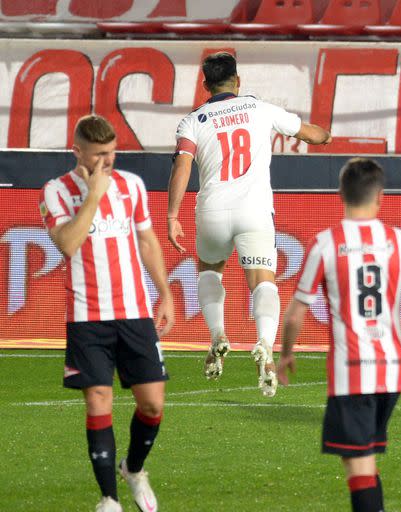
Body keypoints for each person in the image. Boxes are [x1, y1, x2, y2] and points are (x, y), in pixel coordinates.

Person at [278, 158, 401, 512]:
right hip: (393, 371)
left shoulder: (324, 244)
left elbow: (295, 313)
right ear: (380, 196)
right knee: (364, 460)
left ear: (340, 194)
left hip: (351, 370)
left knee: (358, 465)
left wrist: (286, 354)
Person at [167, 52, 331, 395]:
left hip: (212, 211)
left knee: (209, 272)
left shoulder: (193, 120)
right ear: (237, 81)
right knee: (263, 283)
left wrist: (172, 215)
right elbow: (313, 135)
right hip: (254, 211)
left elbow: (182, 166)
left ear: (205, 86)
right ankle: (265, 347)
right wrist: (326, 135)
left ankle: (218, 336)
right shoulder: (259, 108)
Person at [39, 115, 175, 512]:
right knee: (98, 401)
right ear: (77, 151)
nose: (107, 161)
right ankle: (109, 500)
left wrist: (165, 293)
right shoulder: (56, 191)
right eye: (99, 154)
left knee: (152, 404)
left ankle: (133, 469)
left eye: (112, 153)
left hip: (134, 312)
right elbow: (67, 243)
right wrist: (94, 196)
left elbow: (148, 241)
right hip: (87, 316)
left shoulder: (132, 185)